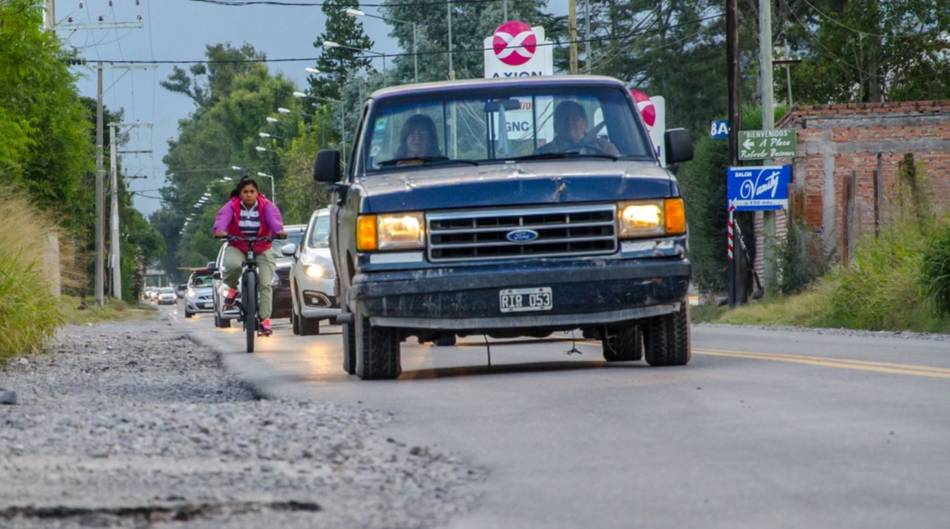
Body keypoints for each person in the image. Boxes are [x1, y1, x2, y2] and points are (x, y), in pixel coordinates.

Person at [212, 178, 286, 336]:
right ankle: (232, 288)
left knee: (266, 284)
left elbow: (273, 219)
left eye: (252, 191)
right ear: (240, 194)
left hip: (262, 246)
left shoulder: (266, 205)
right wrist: (220, 230)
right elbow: (222, 219)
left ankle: (265, 319)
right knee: (233, 265)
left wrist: (278, 231)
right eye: (245, 192)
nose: (249, 195)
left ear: (257, 193)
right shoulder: (232, 206)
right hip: (238, 245)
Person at [537, 100, 620, 156]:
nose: (569, 123)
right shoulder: (542, 155)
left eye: (575, 119)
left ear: (586, 124)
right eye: (564, 119)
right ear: (555, 126)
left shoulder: (606, 149)